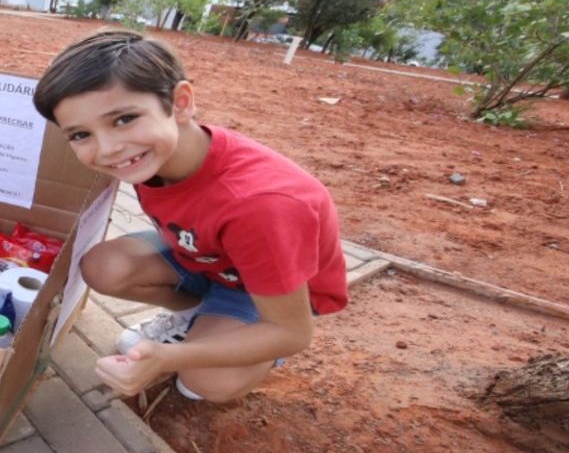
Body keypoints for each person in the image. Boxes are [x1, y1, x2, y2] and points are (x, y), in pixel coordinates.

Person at [32, 30, 348, 402]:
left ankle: (227, 338)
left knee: (204, 383)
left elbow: (294, 334)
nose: (107, 149)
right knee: (104, 267)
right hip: (206, 257)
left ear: (181, 103)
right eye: (81, 134)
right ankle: (200, 318)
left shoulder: (260, 204)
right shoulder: (153, 153)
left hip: (270, 294)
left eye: (124, 119)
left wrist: (166, 357)